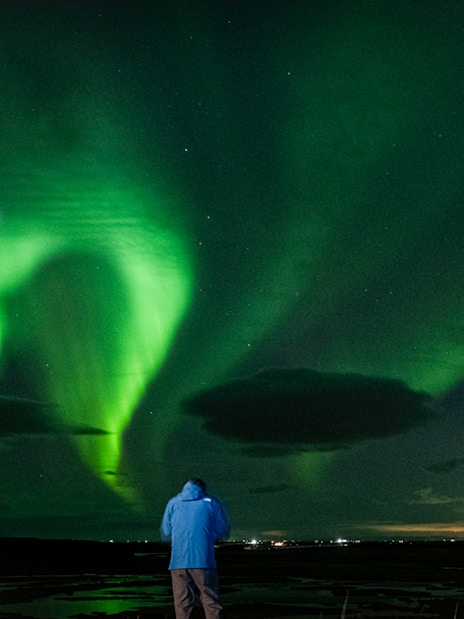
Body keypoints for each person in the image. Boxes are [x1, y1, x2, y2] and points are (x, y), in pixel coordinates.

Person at [160, 478, 230, 619]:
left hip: (178, 562)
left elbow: (165, 532)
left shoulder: (173, 503)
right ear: (203, 489)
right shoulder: (211, 502)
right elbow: (223, 530)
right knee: (211, 601)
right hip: (204, 560)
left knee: (182, 605)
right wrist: (210, 535)